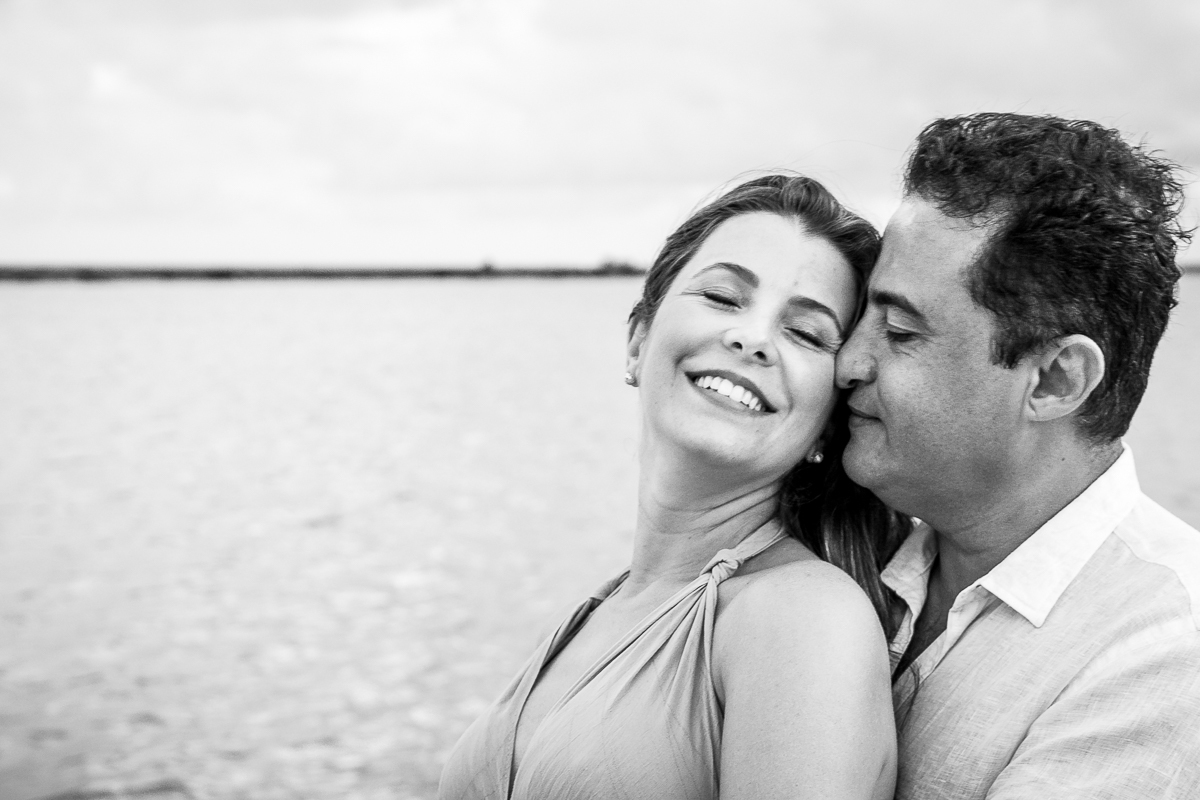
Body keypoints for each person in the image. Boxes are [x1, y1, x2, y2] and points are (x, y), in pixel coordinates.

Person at [438, 174, 909, 800]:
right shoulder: (605, 610)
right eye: (721, 297)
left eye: (805, 334)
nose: (753, 338)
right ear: (637, 340)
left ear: (828, 421)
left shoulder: (803, 619)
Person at [835, 112, 1200, 799]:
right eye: (861, 318)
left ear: (1055, 380)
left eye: (902, 332)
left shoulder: (1169, 652)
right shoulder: (857, 552)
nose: (849, 362)